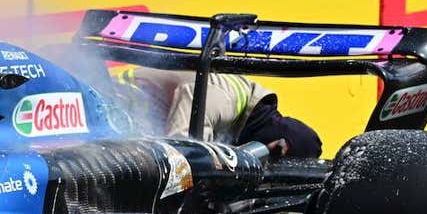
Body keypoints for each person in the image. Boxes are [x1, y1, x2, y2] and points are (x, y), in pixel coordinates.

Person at [115, 67, 323, 158]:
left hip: (125, 123)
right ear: (280, 147)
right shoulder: (224, 98)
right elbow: (183, 155)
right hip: (110, 102)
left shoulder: (242, 109)